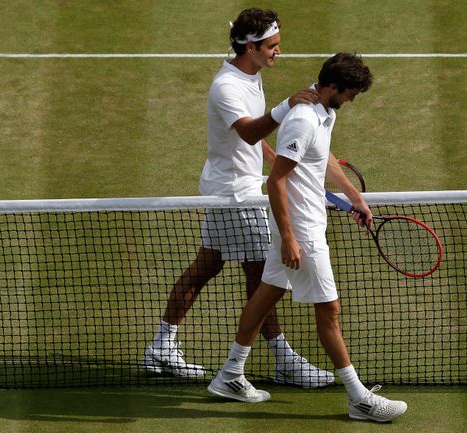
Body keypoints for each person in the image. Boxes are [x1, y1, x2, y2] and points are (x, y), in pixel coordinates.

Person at [207, 53, 408, 423]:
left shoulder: (324, 112)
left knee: (267, 292)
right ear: (332, 86)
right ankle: (358, 398)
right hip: (301, 232)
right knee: (329, 311)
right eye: (350, 93)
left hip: (305, 226)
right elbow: (276, 180)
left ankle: (230, 374)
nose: (352, 100)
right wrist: (288, 237)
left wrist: (354, 196)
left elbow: (323, 158)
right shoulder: (301, 120)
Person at [143, 8, 334, 389]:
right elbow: (247, 131)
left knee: (207, 266)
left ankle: (161, 346)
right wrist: (286, 107)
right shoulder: (227, 86)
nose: (279, 51)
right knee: (264, 276)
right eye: (272, 46)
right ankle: (281, 359)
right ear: (251, 46)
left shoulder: (251, 74)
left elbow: (251, 138)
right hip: (234, 194)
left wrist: (276, 158)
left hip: (232, 187)